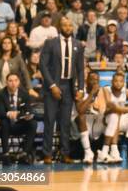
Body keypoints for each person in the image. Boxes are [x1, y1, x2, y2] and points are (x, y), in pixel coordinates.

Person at [39, 17, 85, 164]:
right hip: (53, 86)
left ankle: (65, 153)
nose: (67, 27)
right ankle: (47, 154)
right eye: (65, 25)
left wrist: (81, 88)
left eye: (70, 25)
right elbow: (43, 66)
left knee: (65, 122)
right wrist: (52, 86)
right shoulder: (50, 43)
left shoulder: (78, 45)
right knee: (49, 121)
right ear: (60, 26)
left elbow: (80, 69)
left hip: (69, 86)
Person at [96, 72, 128, 164]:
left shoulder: (127, 91)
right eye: (116, 81)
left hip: (119, 118)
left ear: (124, 83)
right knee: (115, 115)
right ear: (112, 81)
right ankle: (111, 150)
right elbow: (112, 108)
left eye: (121, 81)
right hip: (104, 118)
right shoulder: (106, 90)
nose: (118, 83)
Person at [0, 73, 37, 165]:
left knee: (33, 123)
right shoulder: (1, 94)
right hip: (6, 126)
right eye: (10, 81)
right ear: (6, 82)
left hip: (20, 124)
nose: (13, 83)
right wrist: (9, 113)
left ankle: (24, 154)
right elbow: (0, 112)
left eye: (15, 80)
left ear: (18, 82)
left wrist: (21, 115)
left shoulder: (24, 93)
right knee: (4, 121)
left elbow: (29, 110)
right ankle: (5, 154)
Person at [74, 71, 107, 164]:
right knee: (80, 117)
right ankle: (88, 152)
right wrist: (92, 94)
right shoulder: (80, 91)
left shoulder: (103, 91)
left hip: (97, 122)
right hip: (84, 122)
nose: (95, 82)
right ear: (87, 80)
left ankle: (107, 152)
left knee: (110, 118)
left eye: (97, 80)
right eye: (92, 79)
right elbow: (80, 111)